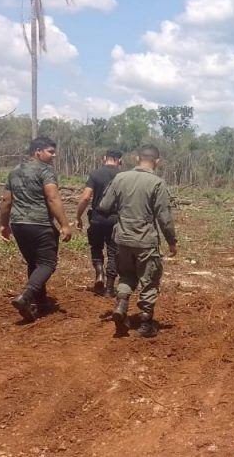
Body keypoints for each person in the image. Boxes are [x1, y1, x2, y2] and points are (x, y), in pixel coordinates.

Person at [97, 144, 177, 337]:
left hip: (122, 239)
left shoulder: (120, 177)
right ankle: (145, 324)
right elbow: (164, 218)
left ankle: (121, 305)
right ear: (157, 162)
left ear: (136, 159)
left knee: (126, 276)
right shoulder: (157, 183)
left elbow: (104, 205)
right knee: (149, 281)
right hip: (145, 241)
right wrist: (172, 241)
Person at [0, 137, 73, 322]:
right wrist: (64, 224)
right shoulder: (46, 171)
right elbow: (52, 198)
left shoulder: (15, 171)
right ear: (37, 151)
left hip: (19, 225)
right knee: (47, 264)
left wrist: (4, 224)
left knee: (34, 263)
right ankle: (26, 296)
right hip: (39, 224)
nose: (54, 155)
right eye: (50, 151)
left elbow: (6, 201)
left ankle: (41, 302)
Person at [75, 149, 123, 297]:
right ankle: (109, 288)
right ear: (119, 160)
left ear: (104, 158)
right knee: (113, 252)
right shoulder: (122, 176)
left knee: (96, 247)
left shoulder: (95, 174)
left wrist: (78, 217)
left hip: (97, 218)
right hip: (115, 220)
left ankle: (99, 273)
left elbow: (85, 197)